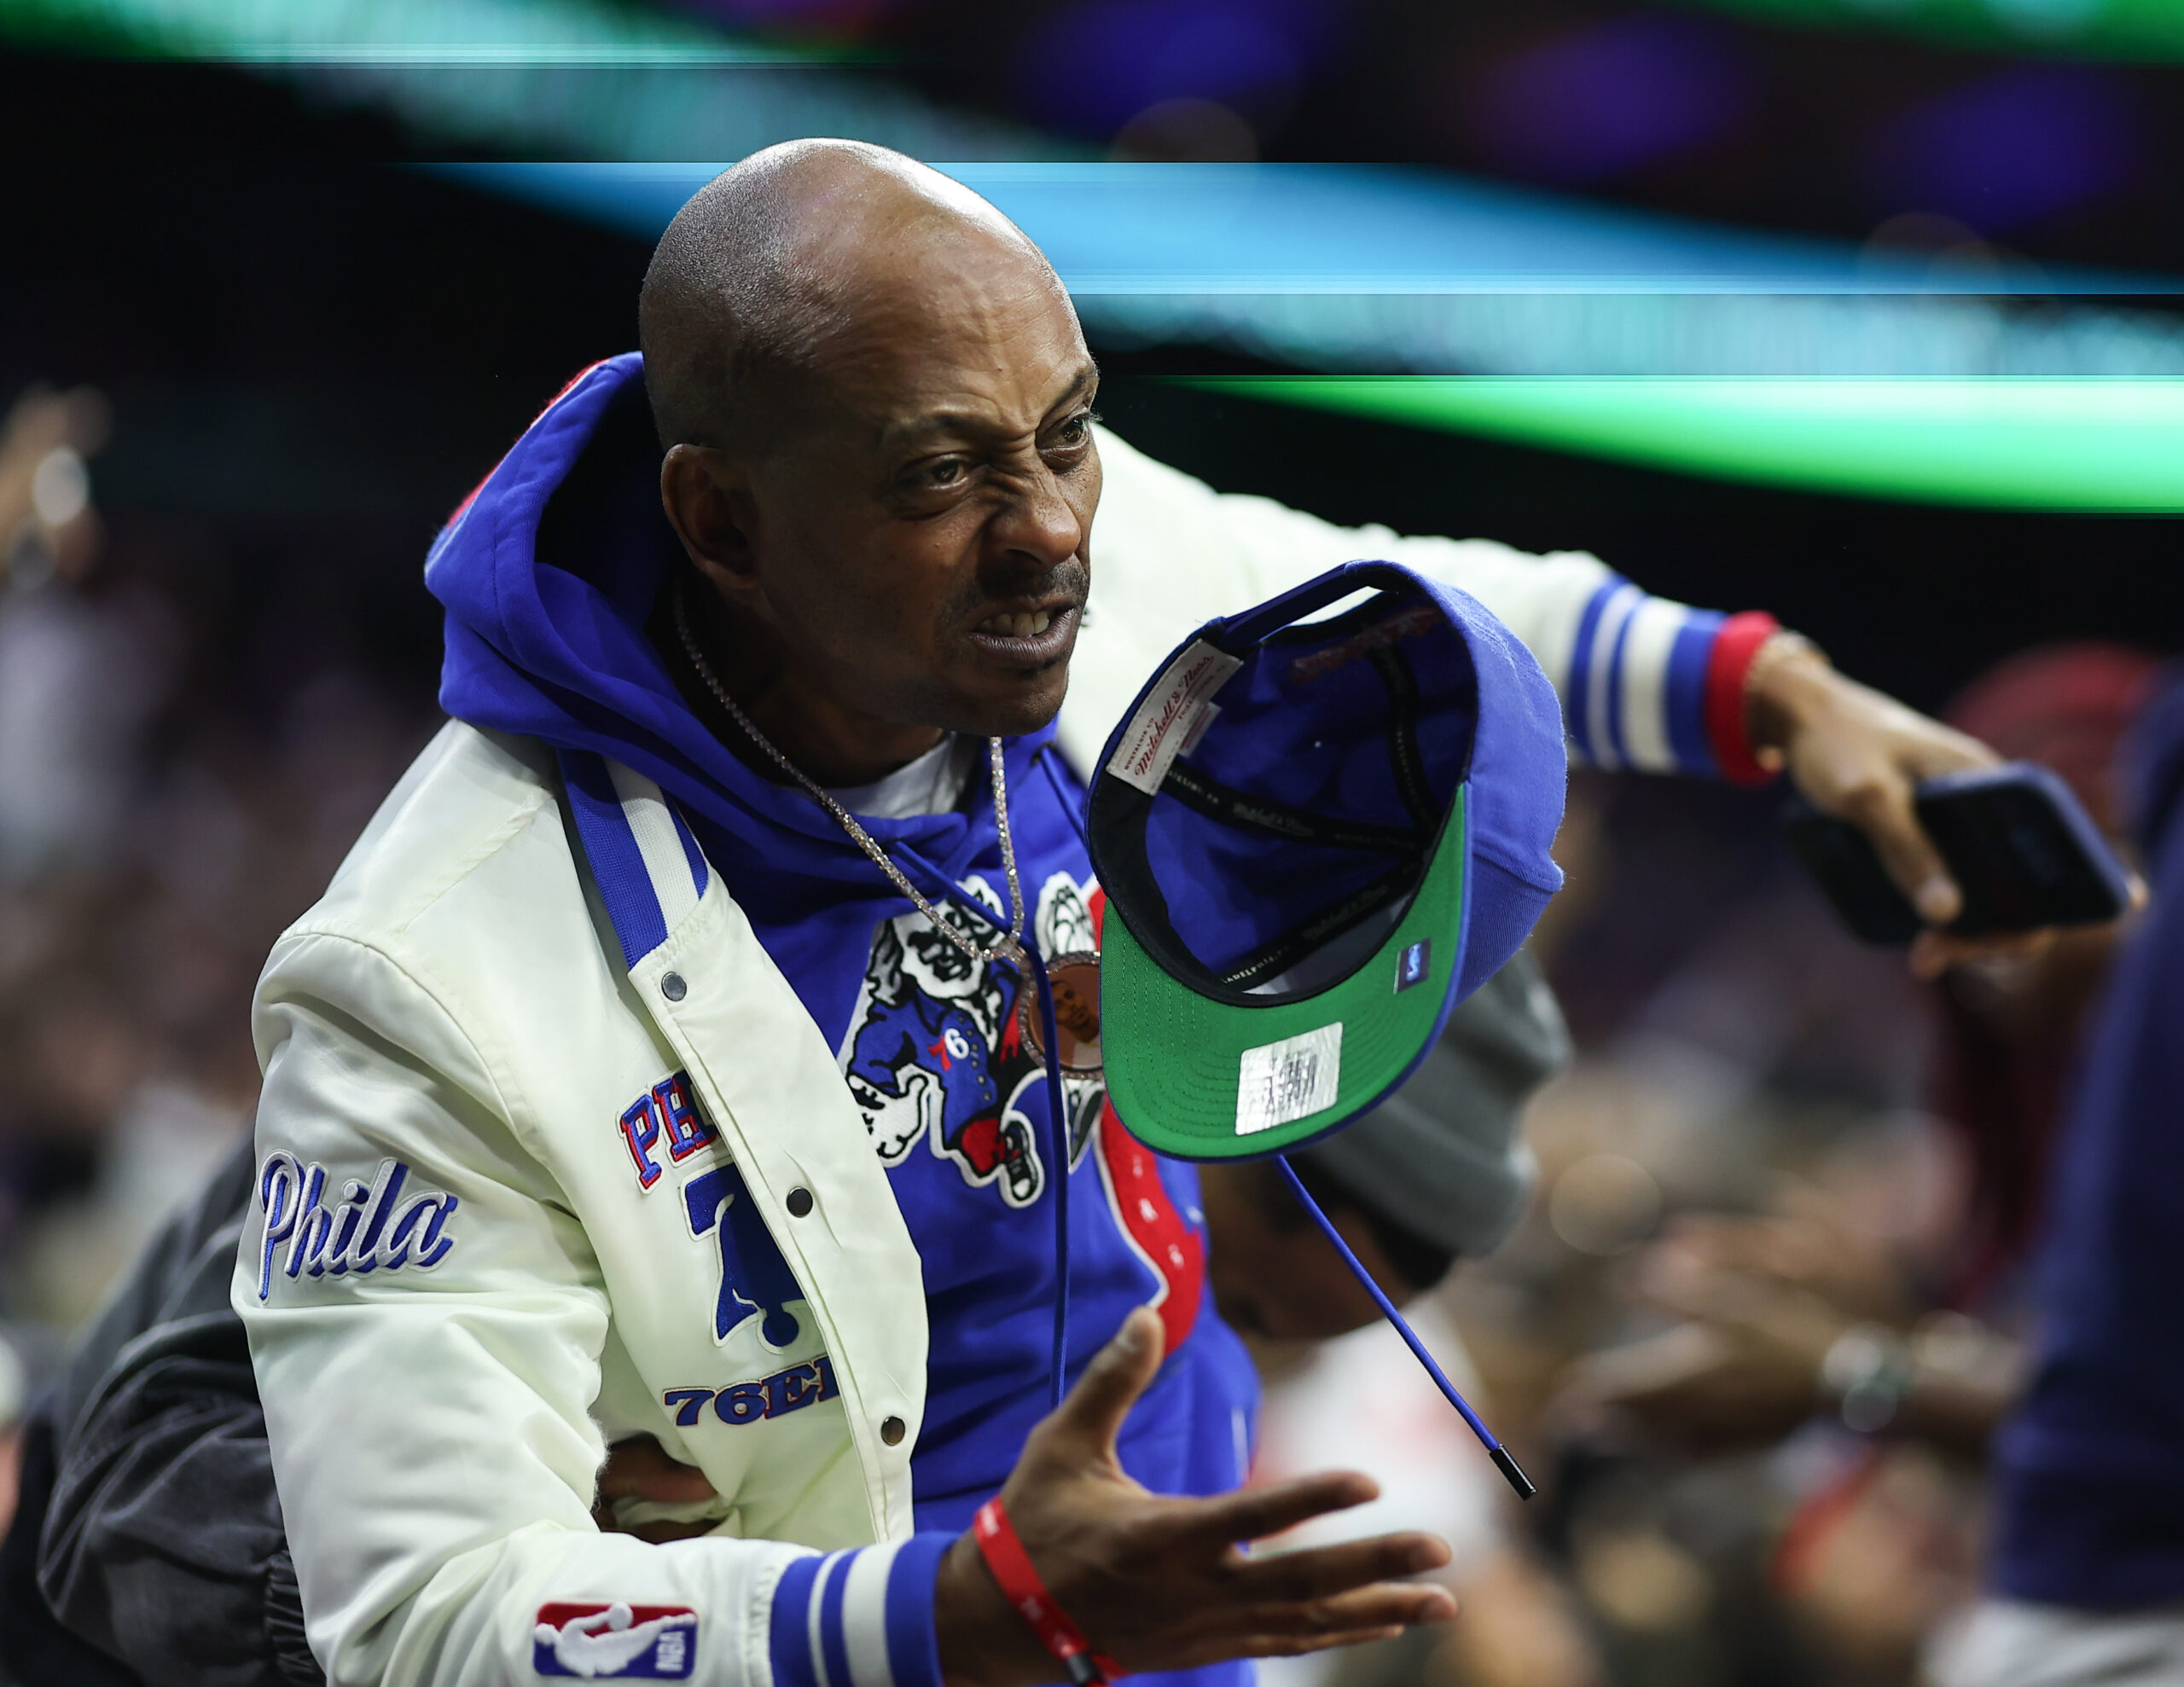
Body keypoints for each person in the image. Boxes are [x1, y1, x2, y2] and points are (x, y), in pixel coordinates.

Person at [10, 139, 2009, 1686]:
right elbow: (426, 1612)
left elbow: (1436, 600)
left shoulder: (1065, 568)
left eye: (1068, 430)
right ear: (721, 520)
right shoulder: (436, 967)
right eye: (951, 470)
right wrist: (935, 1617)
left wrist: (1772, 694)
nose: (1054, 522)